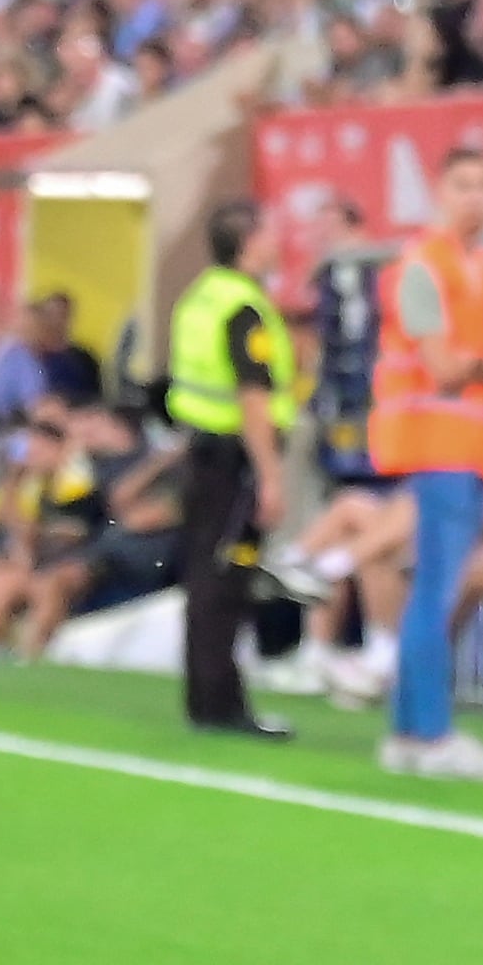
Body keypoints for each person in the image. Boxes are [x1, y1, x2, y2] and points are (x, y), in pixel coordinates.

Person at [365, 144, 483, 782]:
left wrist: (480, 364)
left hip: (469, 449)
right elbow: (444, 366)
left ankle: (411, 733)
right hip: (436, 446)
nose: (477, 198)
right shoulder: (423, 267)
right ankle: (431, 734)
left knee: (431, 592)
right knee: (437, 592)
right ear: (441, 194)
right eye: (463, 184)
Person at [163, 200, 292, 741]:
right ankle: (223, 704)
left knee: (204, 577)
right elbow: (253, 396)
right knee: (228, 577)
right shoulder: (244, 308)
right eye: (269, 232)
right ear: (250, 243)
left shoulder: (200, 297)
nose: (277, 241)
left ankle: (205, 697)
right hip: (236, 460)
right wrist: (270, 475)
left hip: (201, 452)